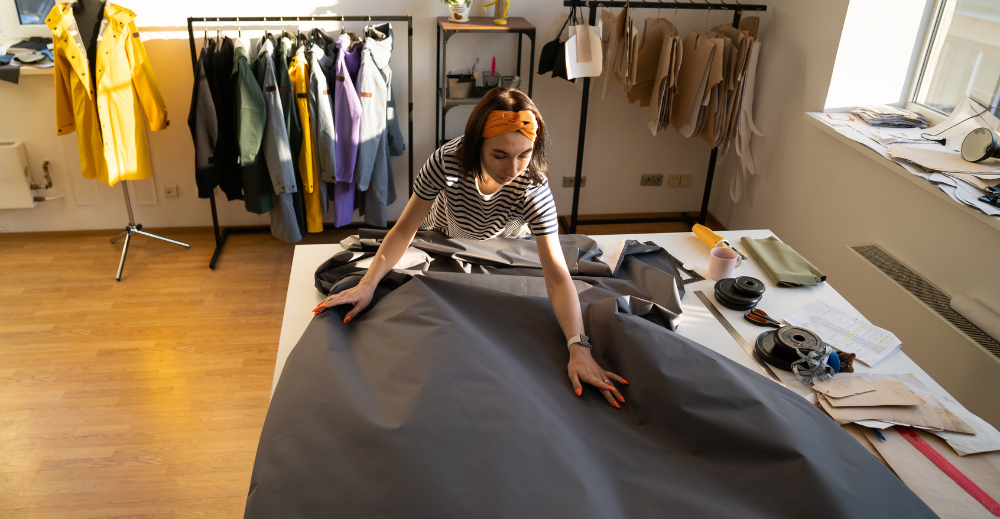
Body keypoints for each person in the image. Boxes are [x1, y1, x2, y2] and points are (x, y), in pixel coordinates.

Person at [315, 87, 626, 408]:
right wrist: (368, 284)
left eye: (525, 153)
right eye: (500, 155)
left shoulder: (532, 185)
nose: (513, 169)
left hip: (502, 250)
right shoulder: (446, 161)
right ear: (477, 144)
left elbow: (558, 277)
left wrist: (579, 347)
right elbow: (405, 228)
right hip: (442, 238)